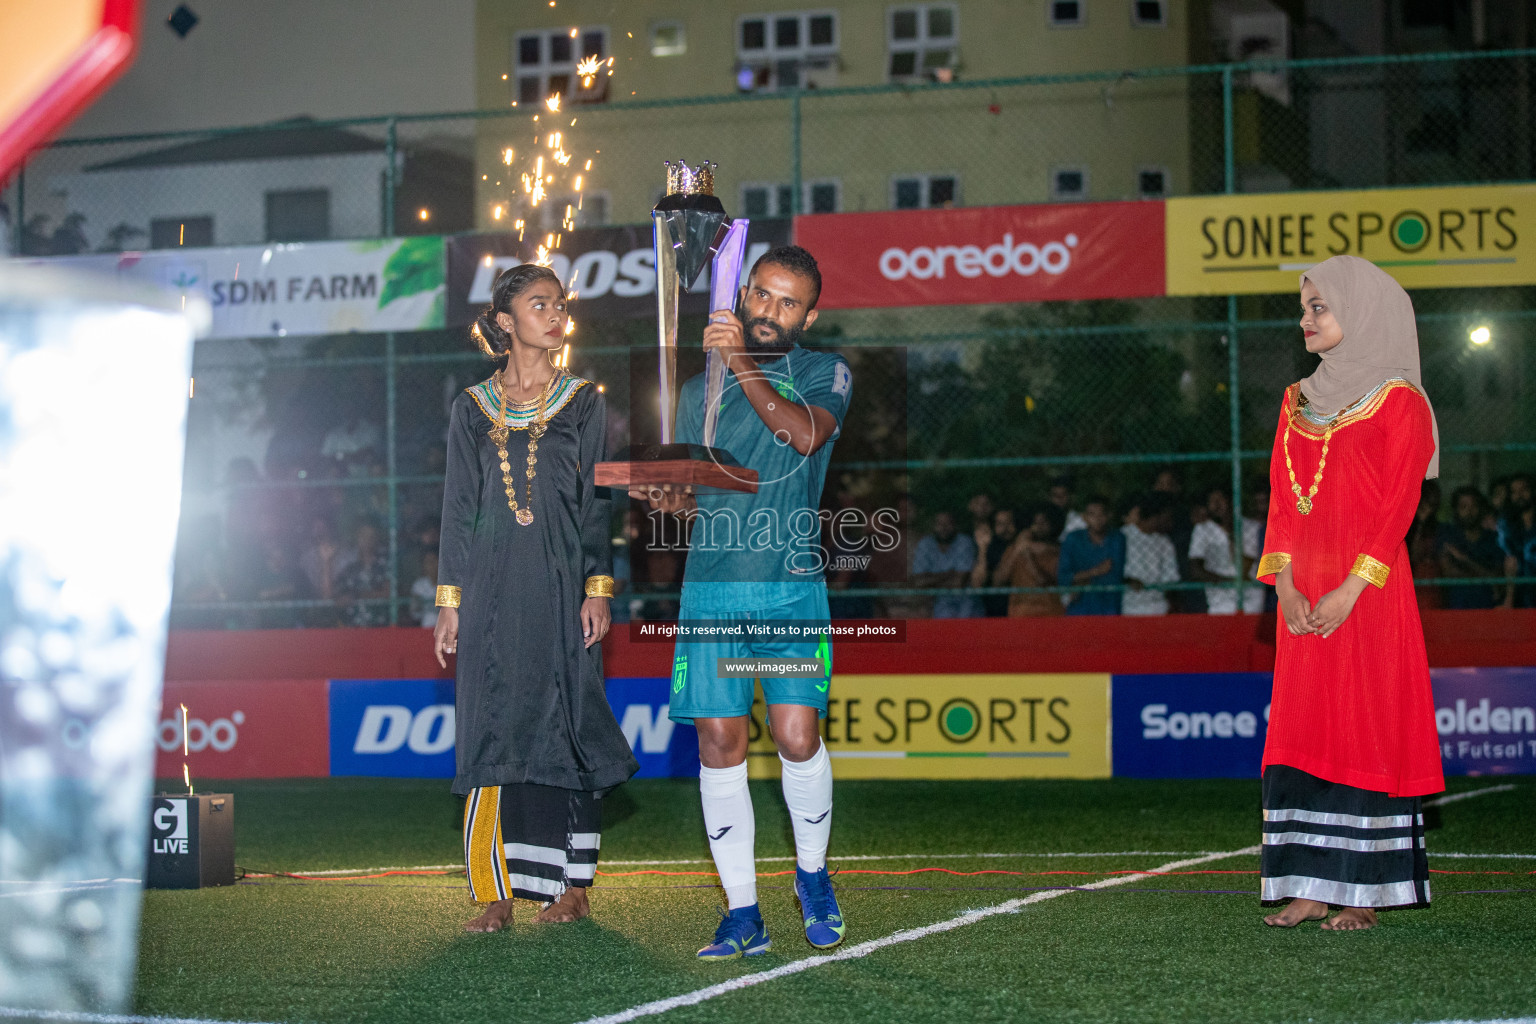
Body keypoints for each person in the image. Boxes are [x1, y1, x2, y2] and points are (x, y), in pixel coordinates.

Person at [632, 246, 851, 959]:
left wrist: (743, 365)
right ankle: (743, 911)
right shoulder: (700, 391)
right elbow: (704, 496)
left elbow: (802, 436)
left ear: (809, 315)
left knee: (796, 737)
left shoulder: (825, 372)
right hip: (713, 589)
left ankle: (812, 878)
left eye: (788, 303)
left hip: (790, 587)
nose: (769, 310)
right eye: (761, 294)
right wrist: (671, 495)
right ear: (744, 293)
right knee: (720, 744)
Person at [432, 264, 638, 933]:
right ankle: (493, 893)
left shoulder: (581, 400)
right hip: (488, 594)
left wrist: (597, 587)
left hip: (558, 590)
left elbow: (596, 501)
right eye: (538, 304)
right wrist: (449, 601)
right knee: (488, 727)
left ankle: (571, 887)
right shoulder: (471, 408)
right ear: (504, 321)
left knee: (566, 726)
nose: (555, 316)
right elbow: (458, 508)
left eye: (560, 305)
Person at [1255, 255, 1443, 931]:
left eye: (1319, 307)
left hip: (1369, 590)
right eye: (1304, 307)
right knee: (1304, 729)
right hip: (1302, 592)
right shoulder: (1294, 399)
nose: (1305, 319)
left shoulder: (1401, 402)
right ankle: (1307, 887)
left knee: (1361, 726)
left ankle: (1359, 893)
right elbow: (1280, 500)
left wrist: (1350, 588)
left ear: (1361, 310)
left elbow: (1398, 509)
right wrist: (1283, 586)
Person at [1188, 487, 1263, 614]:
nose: (1217, 505)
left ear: (1231, 501)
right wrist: (1226, 581)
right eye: (1212, 501)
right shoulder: (1202, 529)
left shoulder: (1251, 526)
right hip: (1219, 600)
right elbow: (1195, 568)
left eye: (1220, 499)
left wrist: (1229, 532)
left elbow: (1242, 568)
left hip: (1251, 597)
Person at [1438, 486, 1506, 610]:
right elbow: (1448, 573)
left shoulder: (1492, 539)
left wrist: (1464, 559)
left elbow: (1498, 578)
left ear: (1481, 508)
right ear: (1455, 510)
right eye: (1463, 507)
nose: (1469, 512)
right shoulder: (1448, 535)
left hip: (1487, 606)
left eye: (1473, 506)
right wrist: (1485, 576)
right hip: (1456, 607)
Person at [1056, 496, 1124, 615]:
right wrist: (1096, 571)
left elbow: (1113, 575)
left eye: (1101, 514)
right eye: (1092, 515)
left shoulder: (1117, 539)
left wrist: (1080, 580)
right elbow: (1063, 576)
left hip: (1108, 605)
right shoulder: (1073, 539)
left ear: (1109, 516)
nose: (1097, 519)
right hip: (1079, 606)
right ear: (1084, 517)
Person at [994, 505, 1064, 617]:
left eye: (1044, 523)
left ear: (1053, 524)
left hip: (1050, 615)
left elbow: (1043, 580)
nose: (1039, 527)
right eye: (1035, 523)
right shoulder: (1015, 549)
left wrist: (1027, 554)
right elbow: (998, 581)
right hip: (1020, 616)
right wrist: (1018, 550)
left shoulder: (1057, 552)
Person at [913, 511, 982, 618]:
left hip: (966, 604)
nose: (944, 528)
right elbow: (919, 582)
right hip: (939, 604)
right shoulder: (925, 544)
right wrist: (950, 574)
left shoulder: (964, 542)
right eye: (939, 524)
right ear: (933, 526)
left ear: (955, 525)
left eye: (948, 524)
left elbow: (958, 583)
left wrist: (931, 580)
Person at [1121, 493, 1180, 616]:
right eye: (1166, 517)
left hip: (1158, 605)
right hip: (1130, 605)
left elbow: (1170, 578)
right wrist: (1127, 580)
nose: (1170, 522)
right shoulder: (1123, 536)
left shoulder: (1165, 542)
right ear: (1155, 517)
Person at [969, 507, 1018, 617]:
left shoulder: (1022, 544)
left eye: (1009, 522)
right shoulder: (990, 548)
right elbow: (977, 585)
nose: (1006, 528)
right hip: (994, 610)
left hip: (1021, 609)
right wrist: (982, 548)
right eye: (1000, 524)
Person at [1406, 479, 1443, 610]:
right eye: (1425, 503)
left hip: (1434, 584)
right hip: (1412, 581)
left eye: (1433, 504)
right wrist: (1420, 523)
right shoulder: (1406, 528)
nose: (1428, 508)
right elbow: (1414, 555)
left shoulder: (1440, 528)